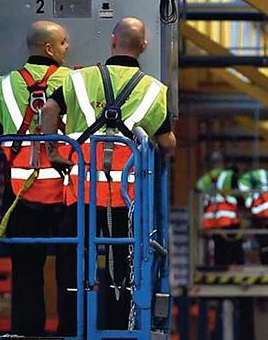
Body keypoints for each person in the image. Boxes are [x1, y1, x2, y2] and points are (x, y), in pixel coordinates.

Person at [41, 17, 176, 333]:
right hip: (127, 199)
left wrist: (53, 151)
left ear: (113, 41)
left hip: (82, 191)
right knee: (124, 267)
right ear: (143, 46)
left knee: (73, 263)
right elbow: (167, 142)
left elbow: (49, 109)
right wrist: (161, 158)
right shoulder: (154, 90)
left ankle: (71, 329)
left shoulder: (79, 79)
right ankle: (120, 329)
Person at [0, 20, 71, 336]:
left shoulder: (3, 85)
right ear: (49, 48)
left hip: (20, 191)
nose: (68, 48)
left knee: (25, 268)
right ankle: (71, 330)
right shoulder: (74, 81)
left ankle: (26, 331)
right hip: (65, 188)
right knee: (70, 268)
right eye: (64, 43)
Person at [195, 152, 244, 267]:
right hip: (227, 214)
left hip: (212, 216)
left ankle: (220, 266)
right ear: (222, 163)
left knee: (219, 243)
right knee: (234, 242)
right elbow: (240, 189)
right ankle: (235, 264)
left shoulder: (206, 178)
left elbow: (198, 189)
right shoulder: (228, 174)